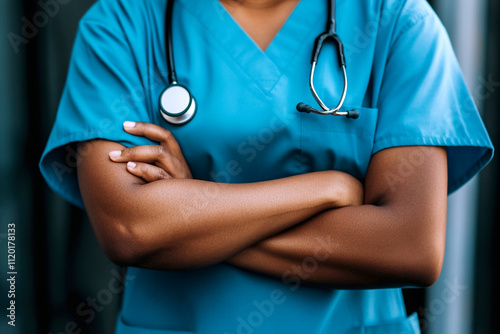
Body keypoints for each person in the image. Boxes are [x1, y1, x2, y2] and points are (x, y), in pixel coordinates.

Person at [40, 0, 494, 333]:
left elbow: (410, 246)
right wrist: (327, 187)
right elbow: (129, 229)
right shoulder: (120, 25)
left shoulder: (397, 20)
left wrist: (187, 216)